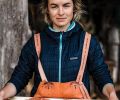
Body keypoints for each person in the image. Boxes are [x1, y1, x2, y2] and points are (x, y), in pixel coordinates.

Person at [0, 0, 118, 99]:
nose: (61, 12)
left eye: (66, 5)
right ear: (47, 9)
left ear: (74, 7)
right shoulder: (35, 43)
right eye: (54, 6)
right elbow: (19, 77)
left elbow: (102, 75)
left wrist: (112, 94)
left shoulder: (88, 42)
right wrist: (3, 93)